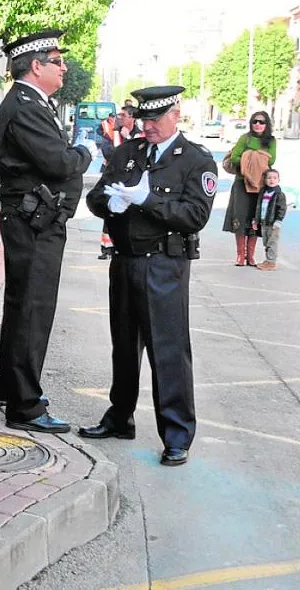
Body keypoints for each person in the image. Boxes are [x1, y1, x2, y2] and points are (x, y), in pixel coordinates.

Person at [79, 86, 217, 467]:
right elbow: (94, 198)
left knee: (167, 350)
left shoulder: (194, 160)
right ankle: (119, 417)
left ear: (176, 114)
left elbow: (195, 215)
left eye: (156, 120)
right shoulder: (128, 152)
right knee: (123, 346)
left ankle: (176, 434)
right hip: (124, 261)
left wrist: (147, 201)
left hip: (164, 266)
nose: (149, 127)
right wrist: (112, 202)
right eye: (145, 120)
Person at [0, 30, 91, 433]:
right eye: (57, 60)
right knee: (33, 310)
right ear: (36, 65)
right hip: (34, 222)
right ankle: (25, 405)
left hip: (34, 219)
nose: (64, 67)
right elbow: (58, 162)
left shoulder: (31, 103)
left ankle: (8, 385)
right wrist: (84, 153)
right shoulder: (27, 106)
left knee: (23, 307)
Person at [223, 110, 277, 266]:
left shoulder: (271, 141)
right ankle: (240, 255)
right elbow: (235, 157)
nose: (258, 124)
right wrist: (254, 158)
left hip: (260, 184)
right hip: (242, 182)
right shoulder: (244, 138)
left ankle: (251, 256)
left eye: (261, 122)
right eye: (255, 121)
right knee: (240, 217)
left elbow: (272, 160)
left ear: (266, 124)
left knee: (255, 218)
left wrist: (251, 156)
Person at [100, 106, 145, 260]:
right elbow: (108, 151)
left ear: (132, 118)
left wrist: (128, 141)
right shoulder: (113, 132)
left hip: (133, 182)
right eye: (119, 115)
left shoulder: (141, 134)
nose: (119, 118)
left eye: (123, 115)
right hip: (114, 178)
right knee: (111, 212)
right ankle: (107, 247)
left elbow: (142, 155)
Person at [252, 168, 286, 271]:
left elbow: (282, 209)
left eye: (275, 178)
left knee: (272, 242)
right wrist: (256, 220)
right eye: (269, 178)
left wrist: (278, 221)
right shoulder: (263, 192)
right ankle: (268, 260)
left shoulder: (279, 194)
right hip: (264, 222)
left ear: (279, 180)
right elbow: (258, 207)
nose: (272, 180)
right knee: (266, 242)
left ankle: (271, 262)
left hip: (273, 224)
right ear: (265, 180)